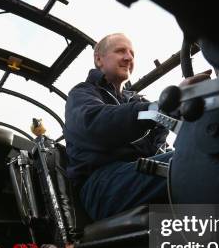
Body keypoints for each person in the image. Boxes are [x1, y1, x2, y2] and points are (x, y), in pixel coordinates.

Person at [64, 33, 210, 220]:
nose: (128, 58)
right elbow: (94, 124)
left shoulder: (135, 100)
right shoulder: (82, 93)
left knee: (203, 153)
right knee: (196, 161)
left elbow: (159, 142)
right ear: (99, 59)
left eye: (132, 53)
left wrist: (185, 109)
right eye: (120, 51)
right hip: (102, 187)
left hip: (139, 172)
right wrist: (164, 106)